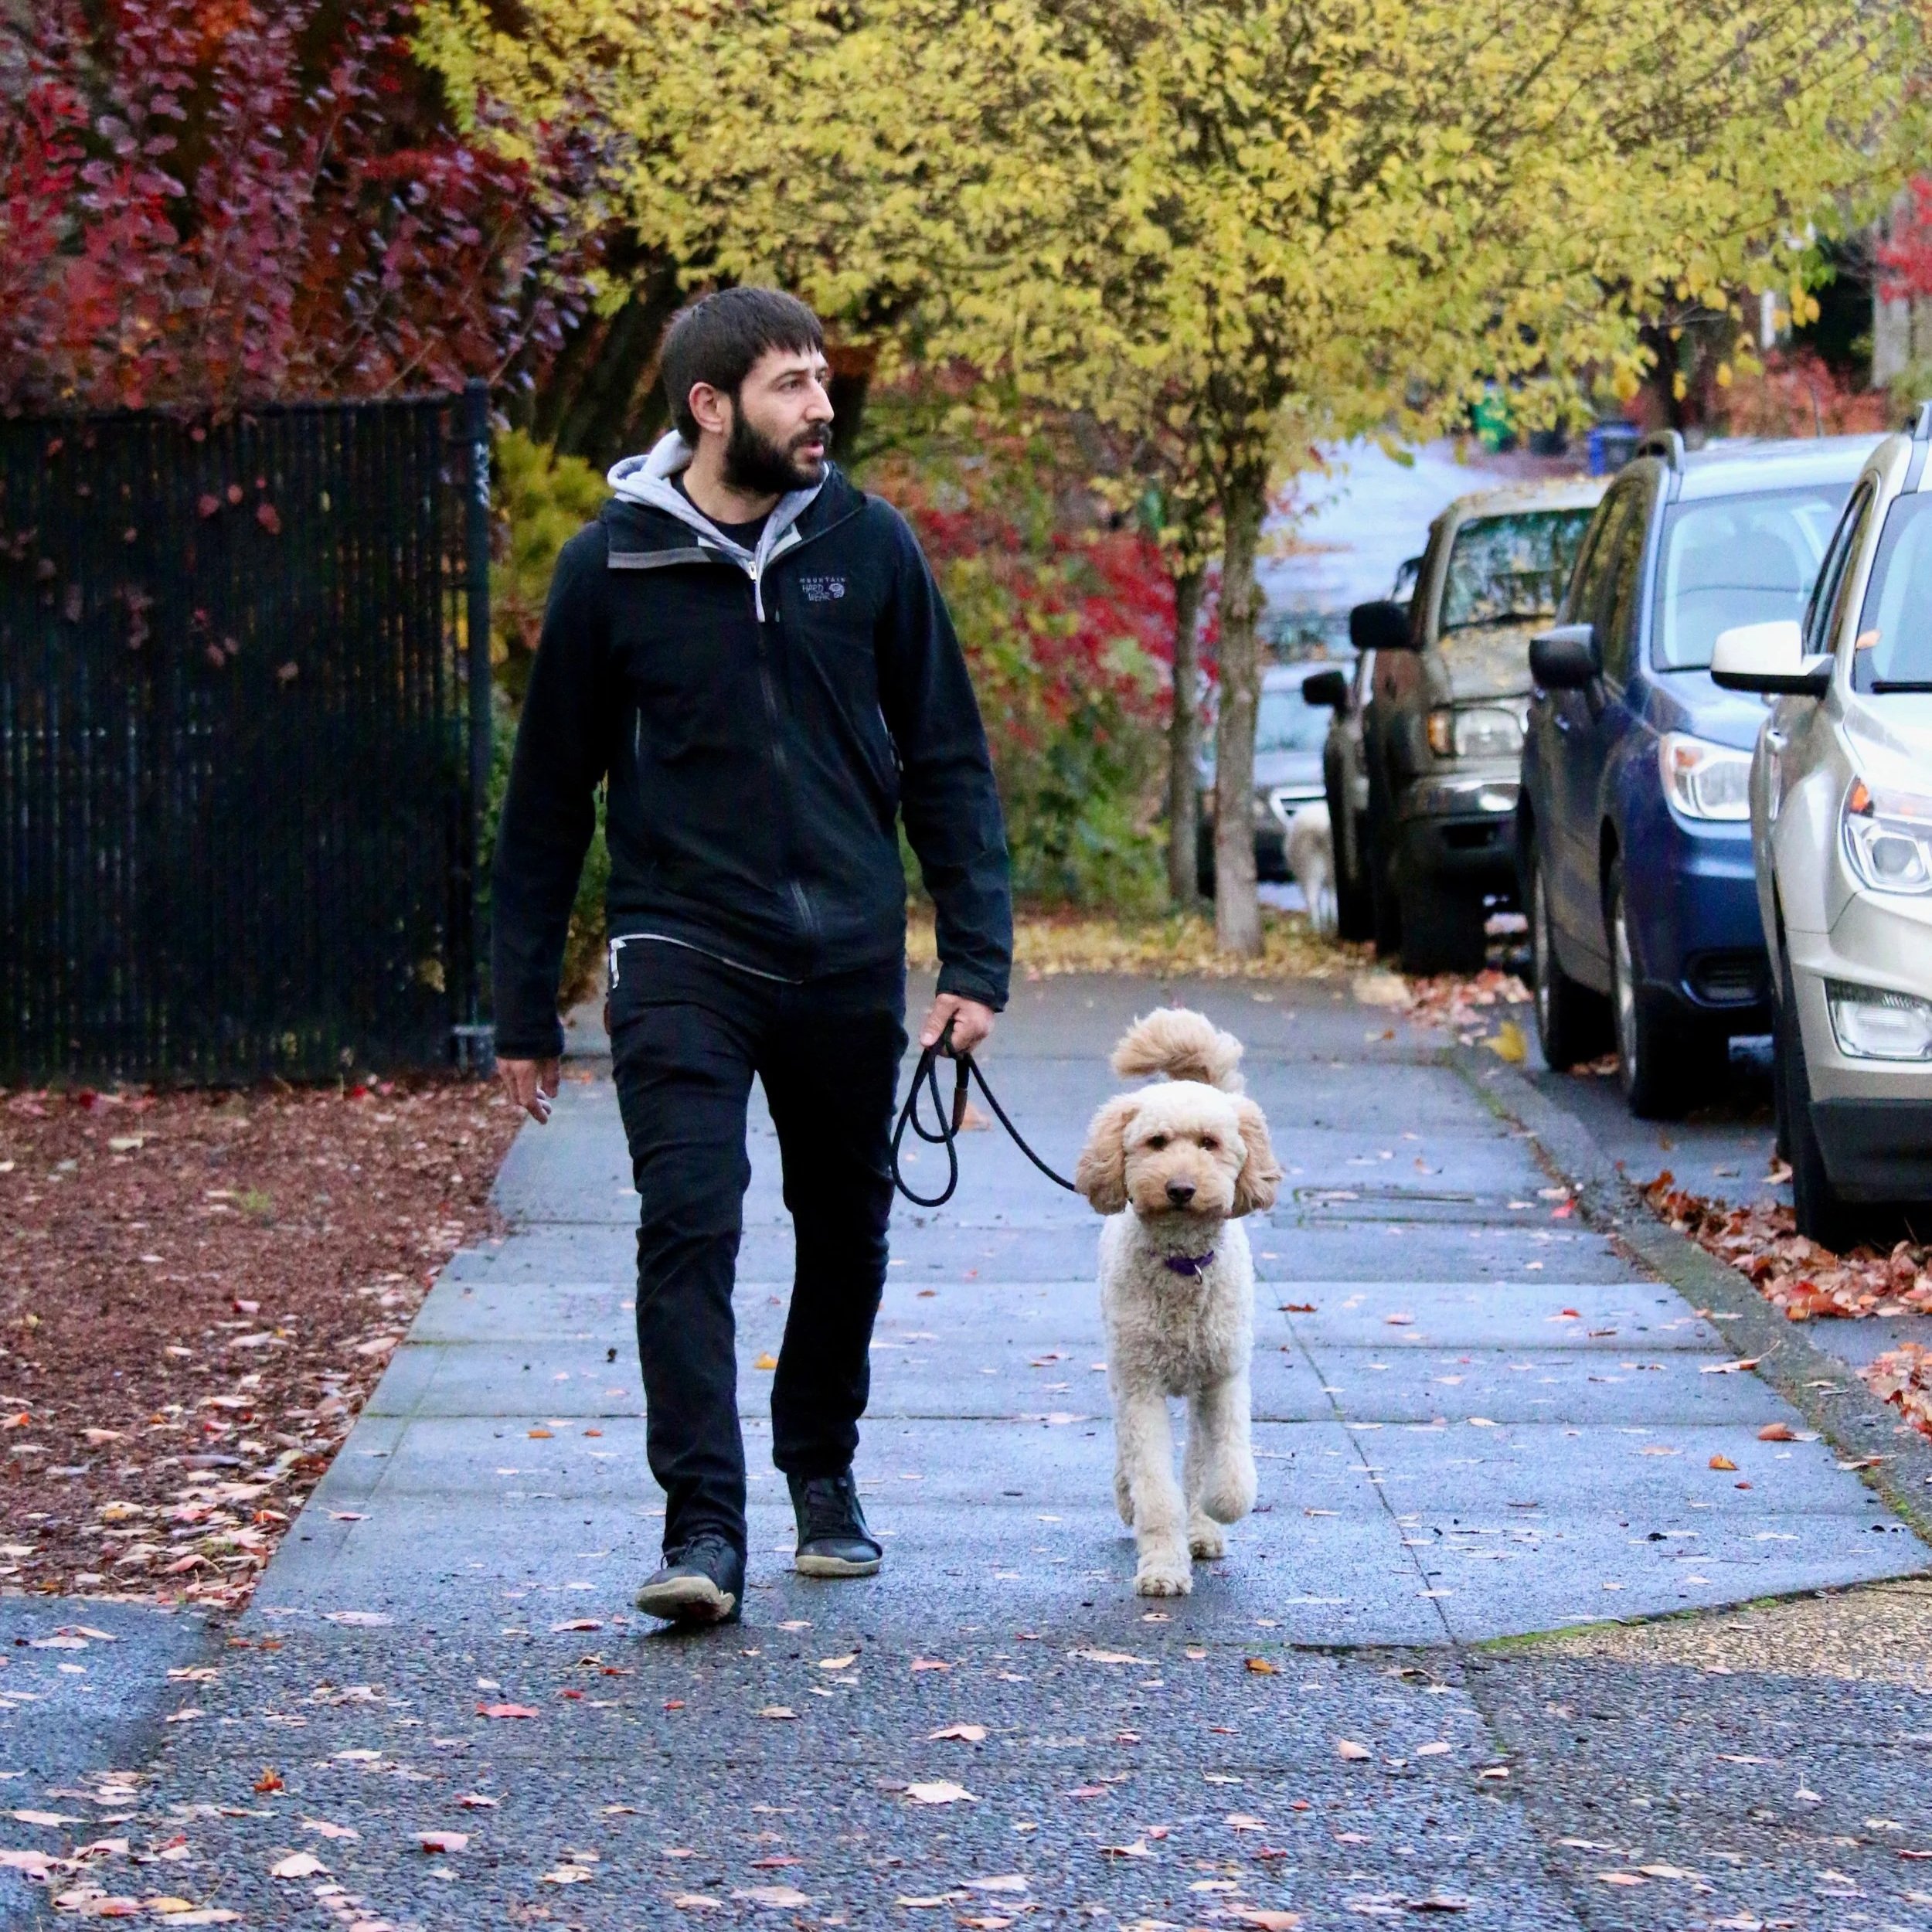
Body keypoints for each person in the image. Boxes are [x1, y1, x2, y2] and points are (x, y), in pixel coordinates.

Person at [490, 287, 1012, 1628]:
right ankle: (703, 1525)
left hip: (843, 949)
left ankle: (819, 1470)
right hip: (682, 947)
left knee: (847, 1228)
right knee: (692, 1224)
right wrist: (520, 1014)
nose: (822, 405)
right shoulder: (614, 566)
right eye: (791, 385)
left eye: (823, 380)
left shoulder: (871, 547)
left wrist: (975, 960)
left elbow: (948, 756)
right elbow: (549, 797)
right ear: (709, 407)